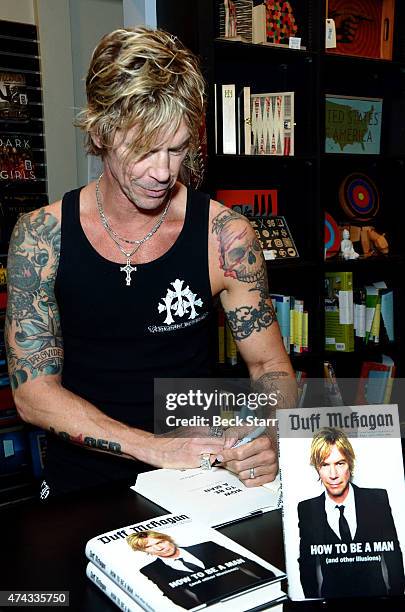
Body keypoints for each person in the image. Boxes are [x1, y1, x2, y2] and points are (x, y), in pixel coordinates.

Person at [4, 26, 296, 498]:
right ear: (99, 132)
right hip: (81, 490)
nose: (162, 172)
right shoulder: (42, 238)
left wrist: (265, 433)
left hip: (198, 482)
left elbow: (269, 367)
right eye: (144, 150)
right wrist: (153, 447)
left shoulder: (226, 237)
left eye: (176, 149)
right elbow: (32, 394)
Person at [297, 427, 405, 598]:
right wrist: (312, 604)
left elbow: (392, 552)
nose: (333, 474)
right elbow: (307, 563)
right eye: (325, 465)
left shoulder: (377, 499)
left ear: (350, 464)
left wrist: (397, 599)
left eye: (340, 463)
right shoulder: (307, 509)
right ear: (317, 469)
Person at [127, 529, 274, 609]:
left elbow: (248, 564)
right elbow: (173, 594)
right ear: (145, 551)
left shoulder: (207, 546)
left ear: (167, 539)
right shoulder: (151, 569)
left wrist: (271, 583)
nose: (159, 547)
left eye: (160, 541)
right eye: (149, 546)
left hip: (257, 590)